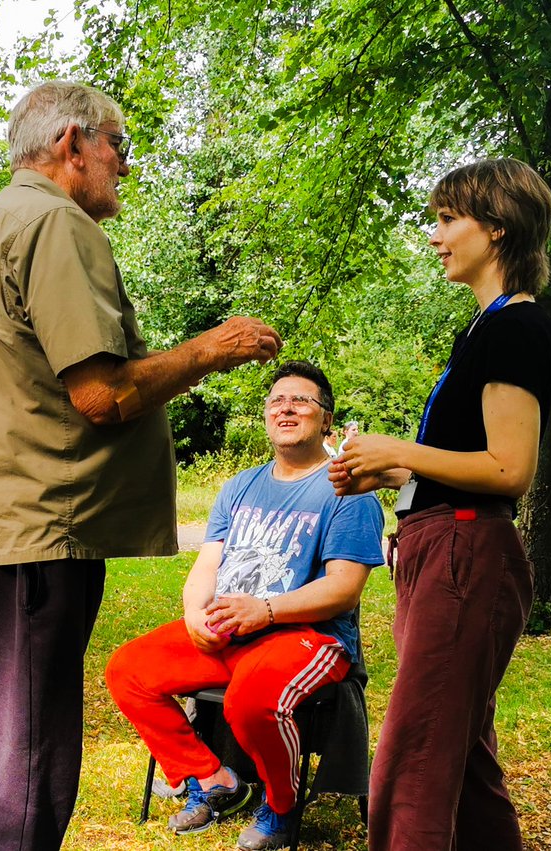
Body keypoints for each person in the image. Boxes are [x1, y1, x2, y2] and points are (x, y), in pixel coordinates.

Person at [0, 79, 281, 851]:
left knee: (4, 739)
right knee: (28, 756)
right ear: (72, 144)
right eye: (118, 146)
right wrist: (210, 349)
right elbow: (99, 392)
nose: (124, 166)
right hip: (40, 531)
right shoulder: (55, 224)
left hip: (1, 527)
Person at [329, 158, 551, 851]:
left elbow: (508, 469)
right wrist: (389, 473)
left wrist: (398, 447)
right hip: (441, 545)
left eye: (447, 218)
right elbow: (465, 465)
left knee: (417, 752)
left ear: (496, 226)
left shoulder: (517, 328)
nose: (435, 235)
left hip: (465, 554)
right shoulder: (482, 330)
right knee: (462, 757)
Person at [107, 361, 384, 848]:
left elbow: (344, 589)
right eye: (277, 400)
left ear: (326, 418)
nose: (287, 408)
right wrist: (195, 614)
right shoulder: (239, 487)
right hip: (233, 630)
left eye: (302, 400)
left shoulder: (348, 490)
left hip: (309, 637)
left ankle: (280, 805)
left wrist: (268, 610)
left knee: (251, 701)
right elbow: (208, 567)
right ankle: (213, 781)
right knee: (128, 670)